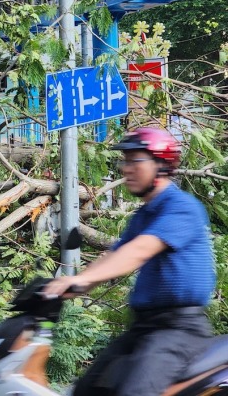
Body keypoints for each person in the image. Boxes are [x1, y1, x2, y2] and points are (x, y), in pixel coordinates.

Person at [43, 126, 215, 396]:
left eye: (135, 160)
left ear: (161, 164)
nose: (126, 168)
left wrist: (82, 278)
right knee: (87, 389)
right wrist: (69, 286)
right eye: (125, 160)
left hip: (178, 332)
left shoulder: (182, 207)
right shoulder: (144, 215)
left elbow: (139, 251)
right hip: (143, 328)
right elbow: (114, 256)